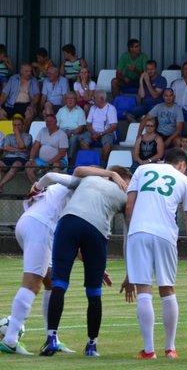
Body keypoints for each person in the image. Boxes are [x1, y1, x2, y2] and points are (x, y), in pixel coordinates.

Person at [39, 166, 131, 357]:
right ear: (121, 180)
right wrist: (130, 272)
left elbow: (58, 174)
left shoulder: (87, 180)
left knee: (59, 283)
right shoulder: (125, 197)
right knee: (94, 291)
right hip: (96, 231)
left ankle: (51, 339)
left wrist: (36, 188)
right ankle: (91, 346)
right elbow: (128, 235)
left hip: (68, 222)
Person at [0, 169, 87, 355]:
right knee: (32, 283)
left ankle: (52, 338)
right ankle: (10, 339)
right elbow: (49, 176)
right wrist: (37, 187)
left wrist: (93, 265)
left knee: (52, 282)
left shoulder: (72, 192)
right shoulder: (79, 183)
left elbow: (73, 243)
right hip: (40, 226)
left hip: (31, 223)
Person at [121, 148, 187, 359]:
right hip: (165, 234)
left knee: (144, 289)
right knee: (167, 289)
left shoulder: (142, 170)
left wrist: (134, 233)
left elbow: (129, 208)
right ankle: (170, 348)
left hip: (139, 231)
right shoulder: (185, 181)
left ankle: (149, 350)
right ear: (182, 165)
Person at [24, 113, 68, 182]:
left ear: (56, 122)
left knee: (56, 166)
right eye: (47, 121)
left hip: (57, 161)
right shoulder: (42, 130)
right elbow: (35, 146)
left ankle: (52, 187)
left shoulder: (62, 134)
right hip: (41, 161)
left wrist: (50, 162)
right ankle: (37, 186)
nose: (49, 123)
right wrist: (31, 159)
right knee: (28, 166)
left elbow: (62, 153)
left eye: (51, 121)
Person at [0, 115, 33, 191]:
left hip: (21, 158)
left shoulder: (28, 136)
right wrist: (20, 149)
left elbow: (22, 146)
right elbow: (6, 147)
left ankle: (0, 184)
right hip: (7, 157)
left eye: (18, 125)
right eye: (14, 125)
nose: (16, 127)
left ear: (23, 126)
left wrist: (17, 133)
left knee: (16, 164)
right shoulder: (8, 136)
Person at [56, 92, 86, 163]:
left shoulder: (80, 111)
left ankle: (70, 160)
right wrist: (61, 134)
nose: (70, 100)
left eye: (72, 98)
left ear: (76, 100)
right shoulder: (61, 110)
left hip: (74, 132)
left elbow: (81, 127)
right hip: (62, 131)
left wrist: (72, 133)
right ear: (65, 100)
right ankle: (57, 159)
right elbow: (56, 125)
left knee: (73, 139)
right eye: (68, 98)